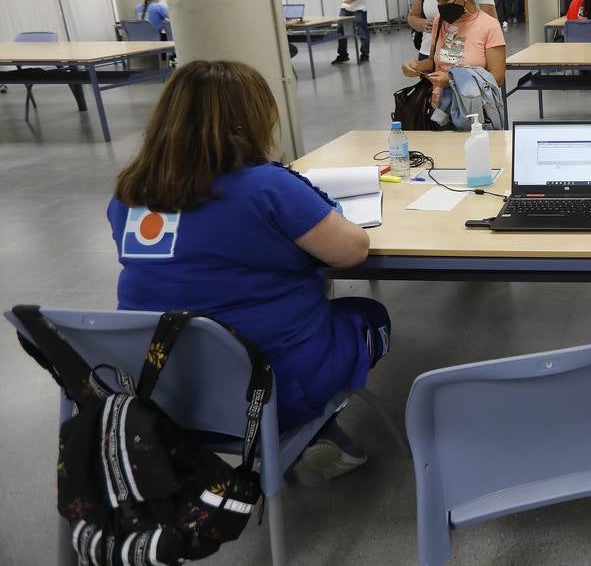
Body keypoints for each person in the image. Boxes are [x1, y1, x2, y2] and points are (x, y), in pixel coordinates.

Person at [109, 60, 388, 480]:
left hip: (160, 386)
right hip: (265, 386)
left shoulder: (129, 193)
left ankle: (307, 434)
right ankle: (303, 430)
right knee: (370, 318)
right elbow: (352, 251)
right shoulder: (266, 186)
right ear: (253, 119)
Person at [400, 0, 506, 127]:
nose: (441, 6)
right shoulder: (440, 21)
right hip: (439, 110)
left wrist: (452, 80)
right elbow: (434, 62)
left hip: (474, 114)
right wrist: (416, 65)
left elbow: (497, 77)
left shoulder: (489, 26)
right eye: (437, 0)